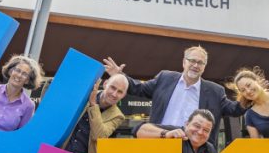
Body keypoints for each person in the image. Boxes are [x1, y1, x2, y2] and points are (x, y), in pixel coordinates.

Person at [105, 46, 246, 147]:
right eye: (192, 60)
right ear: (184, 62)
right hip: (160, 142)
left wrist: (251, 95)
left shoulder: (215, 91)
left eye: (200, 63)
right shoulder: (165, 78)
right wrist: (119, 76)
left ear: (204, 67)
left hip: (193, 150)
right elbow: (138, 88)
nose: (195, 65)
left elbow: (235, 109)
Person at [229, 67, 269, 139]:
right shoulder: (250, 115)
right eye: (243, 90)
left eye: (248, 85)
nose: (248, 91)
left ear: (257, 81)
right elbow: (255, 142)